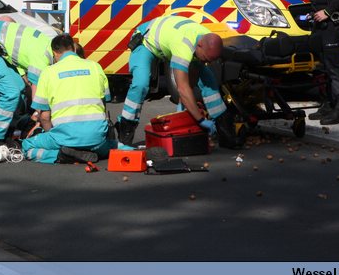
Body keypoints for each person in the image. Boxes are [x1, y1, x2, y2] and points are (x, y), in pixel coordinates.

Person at [117, 16, 225, 145]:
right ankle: (126, 128)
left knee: (209, 82)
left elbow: (192, 77)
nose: (207, 63)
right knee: (141, 84)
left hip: (169, 41)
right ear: (200, 46)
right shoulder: (183, 46)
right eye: (206, 59)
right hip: (146, 42)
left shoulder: (206, 39)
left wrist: (184, 104)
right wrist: (200, 120)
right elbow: (183, 88)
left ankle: (223, 127)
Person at [22, 34, 119, 164]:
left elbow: (44, 117)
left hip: (64, 138)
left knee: (27, 146)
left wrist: (51, 134)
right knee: (114, 146)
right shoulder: (95, 67)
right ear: (73, 48)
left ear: (54, 53)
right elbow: (103, 103)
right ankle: (92, 151)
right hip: (96, 137)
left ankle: (61, 155)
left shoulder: (48, 72)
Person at [0, 17, 53, 145]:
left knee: (19, 86)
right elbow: (37, 97)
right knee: (11, 92)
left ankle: (3, 129)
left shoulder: (47, 43)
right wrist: (38, 117)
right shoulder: (42, 57)